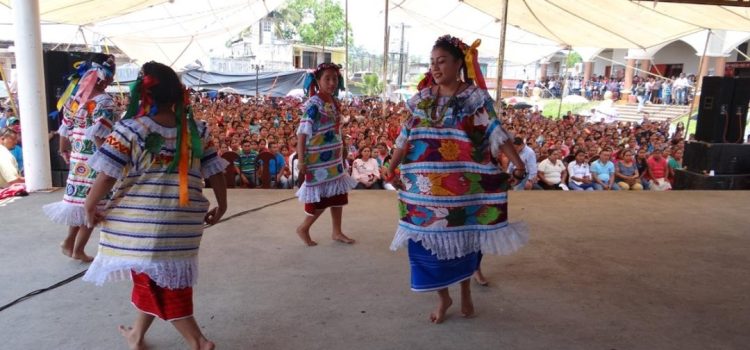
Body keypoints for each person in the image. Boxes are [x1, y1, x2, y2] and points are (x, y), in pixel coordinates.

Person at [81, 61, 228, 350]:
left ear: (142, 93)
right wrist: (222, 205)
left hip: (141, 226)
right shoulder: (197, 130)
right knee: (157, 277)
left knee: (159, 282)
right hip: (183, 225)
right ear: (178, 94)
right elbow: (216, 171)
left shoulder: (130, 129)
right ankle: (137, 333)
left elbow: (108, 173)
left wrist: (89, 205)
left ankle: (198, 341)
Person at [384, 35, 528, 324]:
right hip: (423, 192)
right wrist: (391, 167)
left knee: (465, 242)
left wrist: (518, 163)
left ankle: (464, 292)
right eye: (432, 62)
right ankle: (443, 297)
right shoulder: (421, 99)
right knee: (423, 247)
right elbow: (403, 138)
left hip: (466, 187)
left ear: (458, 63)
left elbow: (495, 133)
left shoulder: (475, 98)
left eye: (442, 61)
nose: (436, 68)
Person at [43, 56, 117, 262]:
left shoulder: (75, 99)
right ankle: (78, 249)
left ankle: (69, 242)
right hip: (95, 158)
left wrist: (63, 150)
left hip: (78, 158)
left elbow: (64, 129)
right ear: (104, 79)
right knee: (92, 204)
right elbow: (100, 135)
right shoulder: (104, 101)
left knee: (79, 202)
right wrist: (109, 159)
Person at [295, 62, 358, 246]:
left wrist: (344, 147)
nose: (332, 82)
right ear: (318, 80)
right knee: (321, 199)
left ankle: (337, 232)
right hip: (316, 160)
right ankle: (304, 228)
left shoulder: (335, 101)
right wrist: (300, 160)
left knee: (338, 195)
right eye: (327, 78)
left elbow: (337, 129)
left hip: (334, 158)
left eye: (335, 78)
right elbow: (302, 132)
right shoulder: (314, 104)